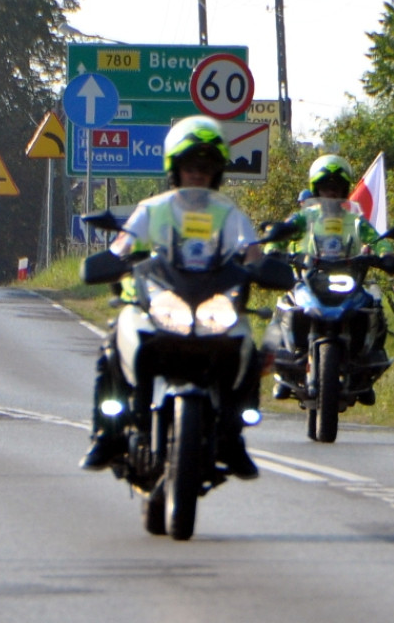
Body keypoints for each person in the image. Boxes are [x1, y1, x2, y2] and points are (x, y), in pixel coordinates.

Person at [79, 115, 264, 477]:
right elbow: (123, 247)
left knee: (247, 348)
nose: (198, 173)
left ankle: (232, 435)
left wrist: (262, 266)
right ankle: (107, 432)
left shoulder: (229, 214)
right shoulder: (153, 209)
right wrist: (115, 260)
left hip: (213, 308)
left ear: (217, 172)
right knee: (113, 342)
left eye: (206, 166)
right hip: (158, 304)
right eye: (190, 166)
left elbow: (252, 253)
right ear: (175, 168)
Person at [267, 154, 394, 401]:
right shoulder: (306, 217)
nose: (330, 192)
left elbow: (375, 240)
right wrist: (273, 250)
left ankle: (365, 366)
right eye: (325, 188)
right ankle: (283, 363)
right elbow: (284, 231)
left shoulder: (355, 220)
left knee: (373, 307)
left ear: (344, 190)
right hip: (311, 275)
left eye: (336, 188)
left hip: (348, 275)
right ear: (316, 189)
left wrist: (387, 255)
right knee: (286, 304)